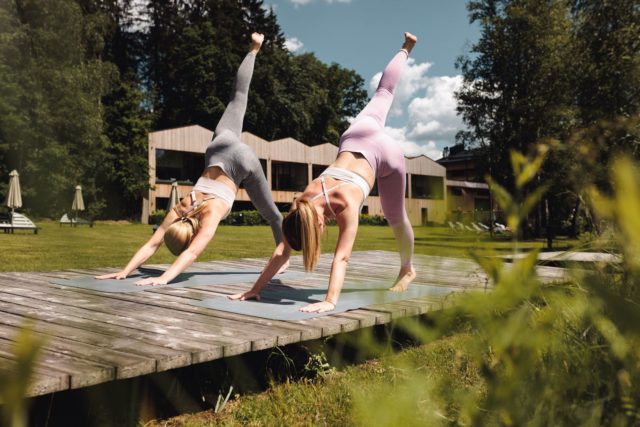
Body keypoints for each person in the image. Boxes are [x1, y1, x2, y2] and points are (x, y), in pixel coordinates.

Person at [230, 32, 418, 313]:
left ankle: (408, 270)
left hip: (385, 155)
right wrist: (255, 290)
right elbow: (283, 250)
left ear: (317, 227)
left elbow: (342, 258)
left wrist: (330, 301)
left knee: (395, 216)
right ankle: (406, 47)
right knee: (384, 92)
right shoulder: (300, 203)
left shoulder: (344, 206)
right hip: (356, 135)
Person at [96, 33, 283, 286]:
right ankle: (254, 49)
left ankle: (284, 258)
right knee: (238, 97)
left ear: (191, 233)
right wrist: (125, 271)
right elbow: (153, 244)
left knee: (273, 215)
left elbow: (190, 252)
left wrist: (163, 278)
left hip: (242, 163)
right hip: (219, 148)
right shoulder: (180, 209)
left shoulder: (210, 216)